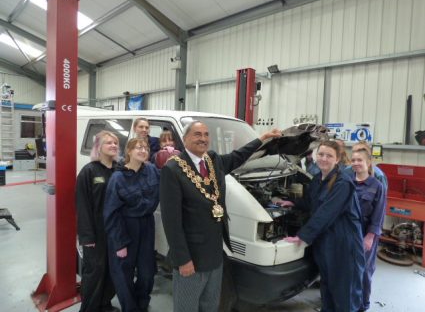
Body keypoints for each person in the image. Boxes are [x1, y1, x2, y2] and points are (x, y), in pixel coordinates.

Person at [160, 121, 282, 312]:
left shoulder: (212, 160)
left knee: (211, 304)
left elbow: (237, 156)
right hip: (191, 256)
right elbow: (171, 222)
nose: (203, 139)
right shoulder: (172, 170)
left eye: (206, 134)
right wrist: (183, 260)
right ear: (185, 139)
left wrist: (261, 139)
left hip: (215, 253)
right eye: (197, 134)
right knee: (187, 306)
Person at [283, 140, 365, 312]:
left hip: (344, 244)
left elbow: (325, 213)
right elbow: (312, 202)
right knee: (327, 287)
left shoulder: (343, 183)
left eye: (329, 156)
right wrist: (293, 202)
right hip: (326, 242)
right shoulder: (318, 179)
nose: (323, 158)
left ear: (337, 160)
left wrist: (302, 236)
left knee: (344, 293)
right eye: (321, 154)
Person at [104, 138, 160, 312]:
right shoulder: (117, 178)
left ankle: (142, 305)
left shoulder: (152, 170)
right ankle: (130, 308)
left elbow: (171, 181)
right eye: (138, 148)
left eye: (145, 148)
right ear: (129, 151)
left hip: (147, 225)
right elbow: (111, 213)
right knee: (123, 274)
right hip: (125, 227)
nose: (143, 150)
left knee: (147, 273)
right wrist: (119, 243)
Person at [76, 130, 120, 312]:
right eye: (108, 143)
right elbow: (82, 206)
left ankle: (104, 304)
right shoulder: (89, 172)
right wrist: (87, 237)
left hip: (115, 232)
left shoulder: (119, 170)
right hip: (95, 232)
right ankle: (90, 308)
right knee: (94, 272)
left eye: (115, 143)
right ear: (98, 147)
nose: (113, 146)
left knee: (111, 271)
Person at [351, 148, 385, 312]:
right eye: (354, 160)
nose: (356, 163)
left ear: (368, 163)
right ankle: (350, 301)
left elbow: (379, 213)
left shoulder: (376, 185)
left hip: (366, 233)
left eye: (360, 160)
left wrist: (370, 237)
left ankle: (363, 305)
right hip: (349, 232)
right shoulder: (347, 181)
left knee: (364, 271)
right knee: (349, 268)